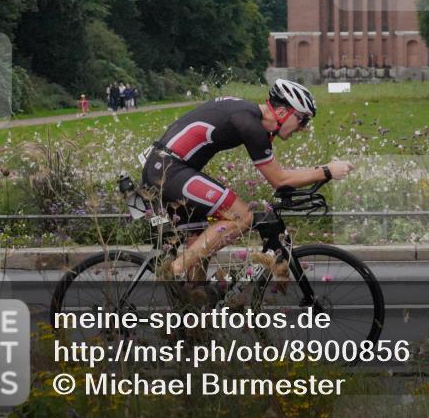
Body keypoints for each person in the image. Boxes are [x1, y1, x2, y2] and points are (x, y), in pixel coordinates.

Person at [141, 79, 352, 284]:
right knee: (241, 217)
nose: (303, 128)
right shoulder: (250, 124)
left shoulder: (248, 115)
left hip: (166, 167)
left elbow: (278, 174)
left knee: (200, 246)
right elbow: (280, 180)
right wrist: (327, 171)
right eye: (303, 120)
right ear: (282, 112)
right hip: (170, 171)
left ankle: (195, 308)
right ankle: (172, 272)